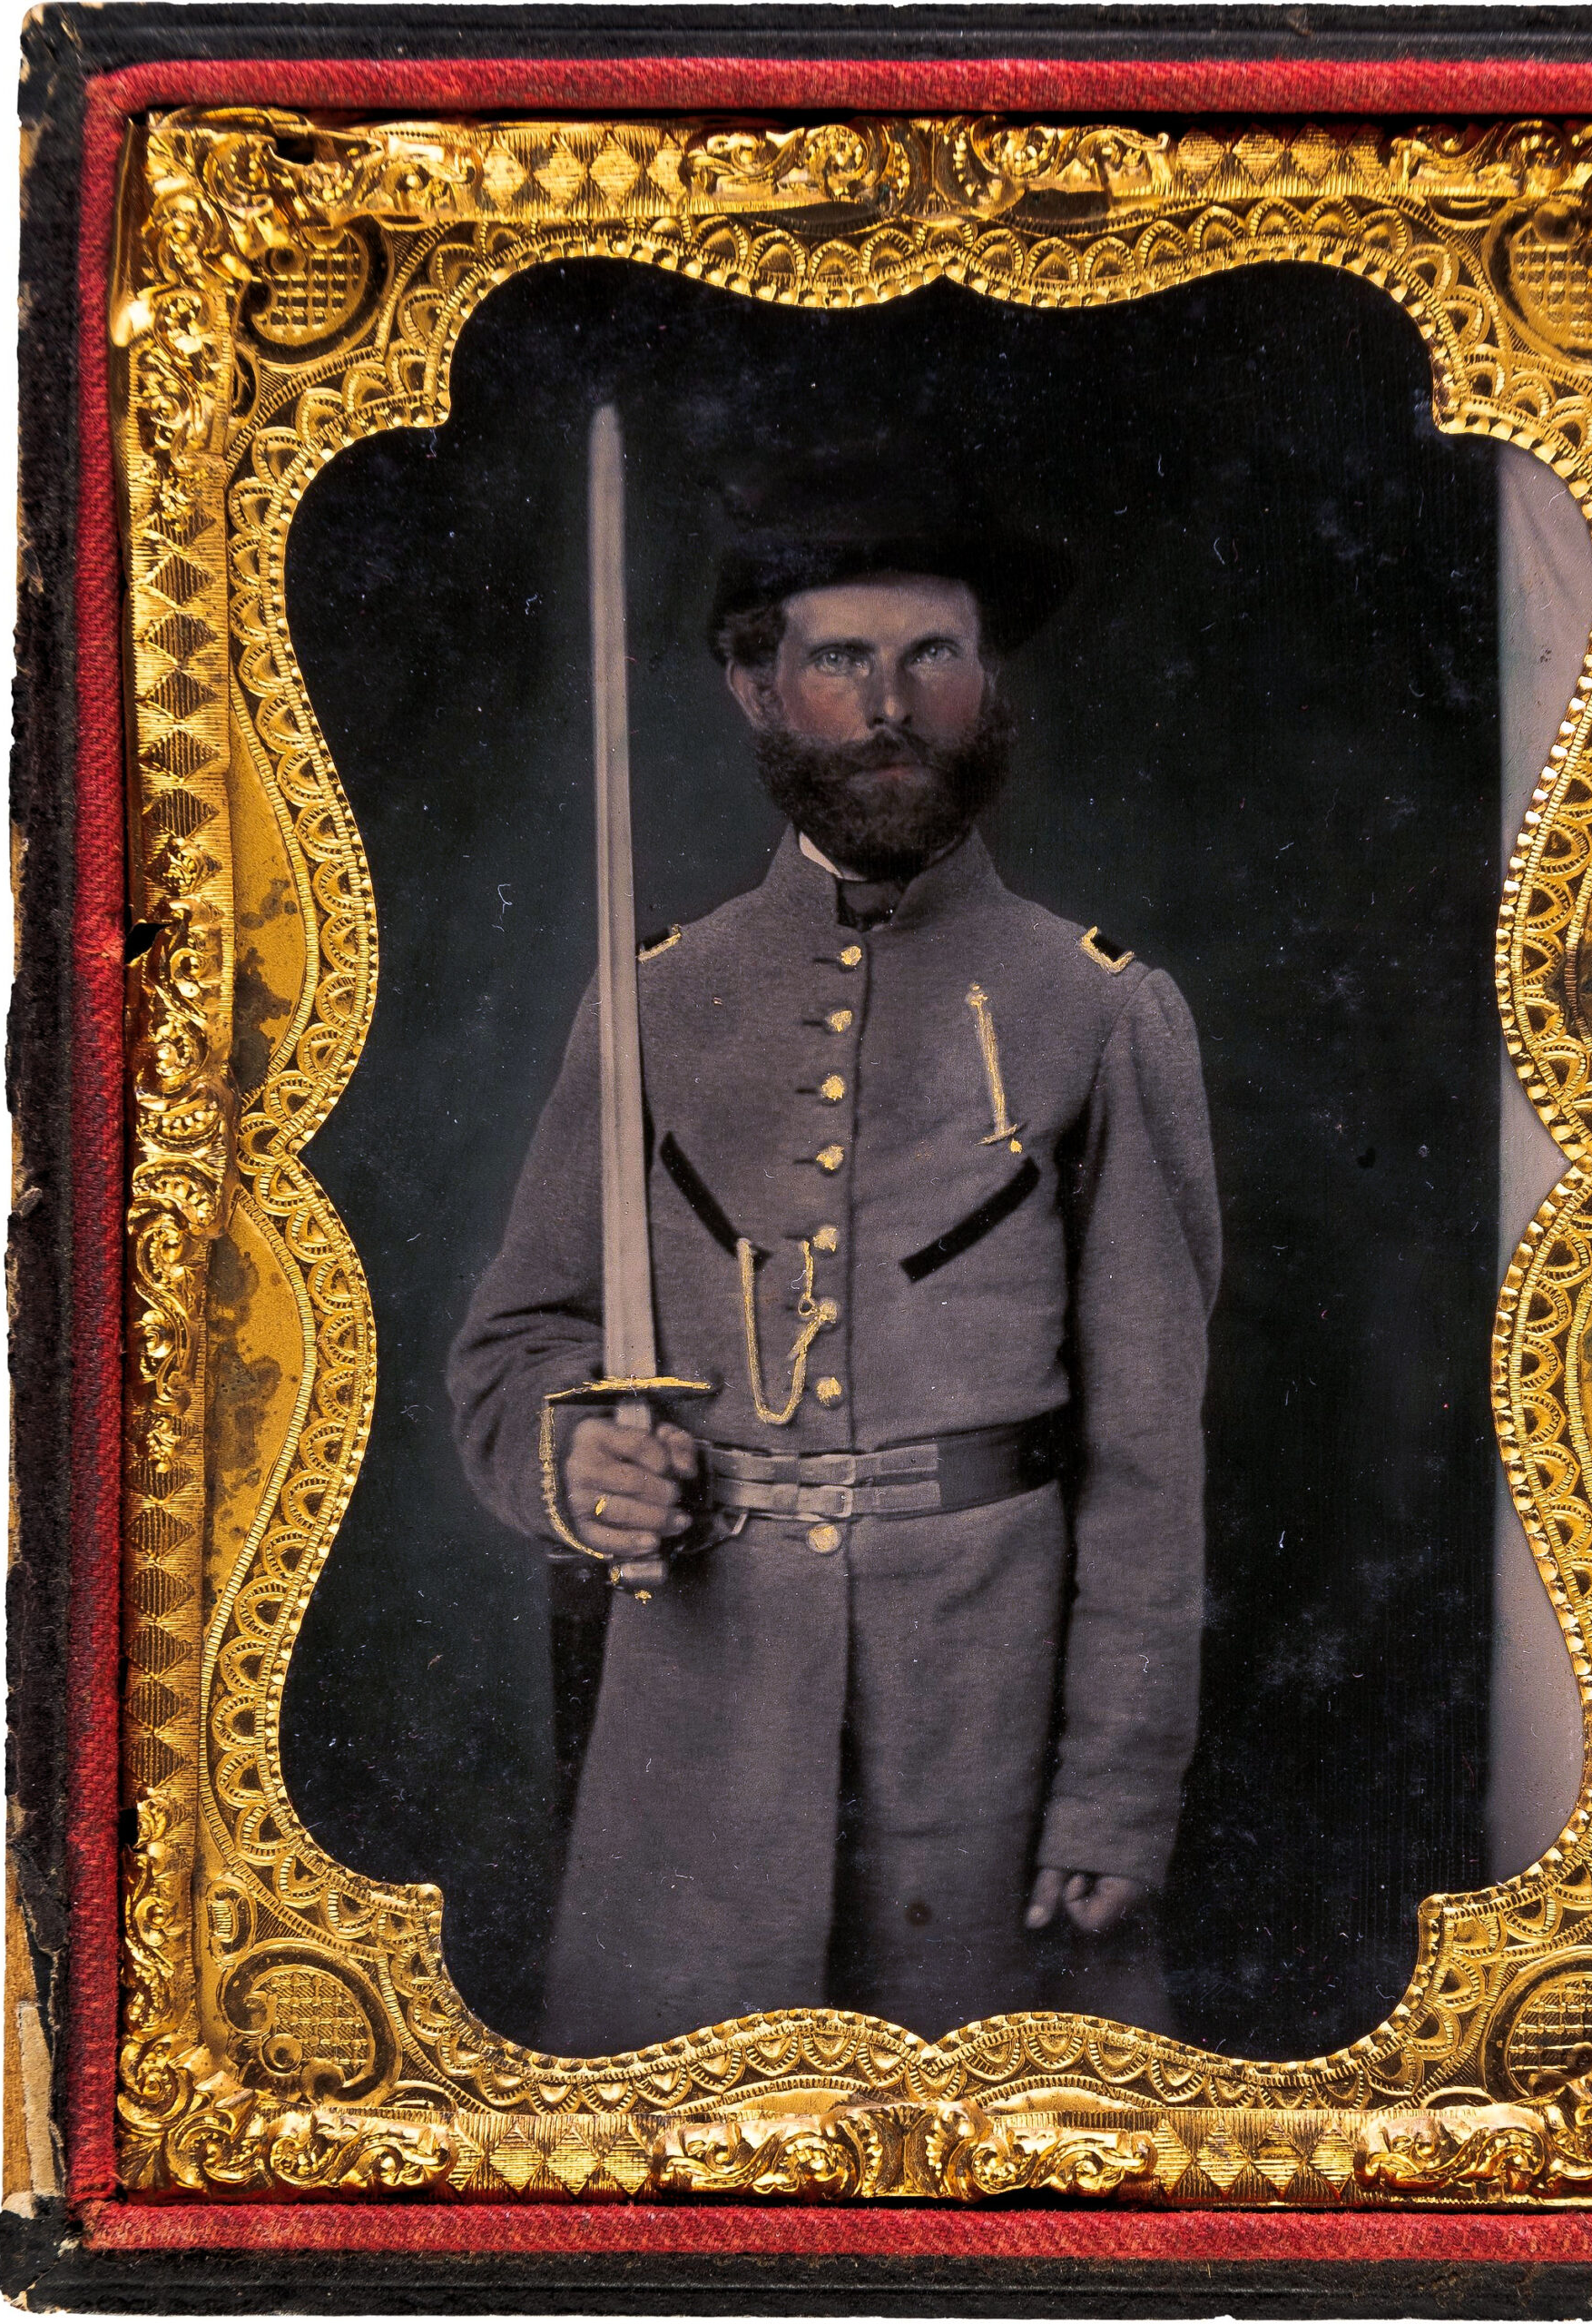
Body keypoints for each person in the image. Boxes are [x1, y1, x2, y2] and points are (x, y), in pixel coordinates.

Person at [447, 464, 1222, 2056]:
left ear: (987, 682)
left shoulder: (1098, 1008)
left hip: (990, 1748)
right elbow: (516, 1344)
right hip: (697, 1737)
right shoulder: (650, 1002)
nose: (889, 707)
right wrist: (570, 1453)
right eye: (837, 661)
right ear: (753, 686)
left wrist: (1116, 1792)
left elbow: (1150, 1465)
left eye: (931, 657)